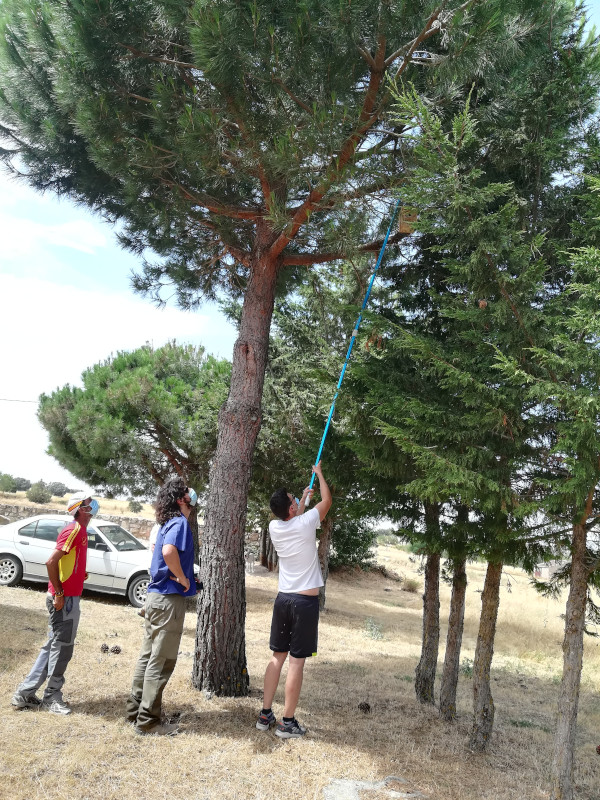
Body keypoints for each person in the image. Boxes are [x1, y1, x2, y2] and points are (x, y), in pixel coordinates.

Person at [256, 461, 332, 738]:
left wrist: (302, 499)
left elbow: (296, 516)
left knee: (278, 657)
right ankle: (287, 723)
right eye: (292, 501)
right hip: (304, 603)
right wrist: (320, 475)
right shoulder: (306, 521)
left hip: (283, 600)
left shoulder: (276, 527)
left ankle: (265, 715)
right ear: (290, 509)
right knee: (296, 662)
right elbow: (328, 501)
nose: (295, 501)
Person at [11, 492, 97, 715]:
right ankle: (52, 697)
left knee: (52, 646)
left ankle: (25, 693)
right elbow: (51, 562)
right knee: (63, 647)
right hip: (65, 600)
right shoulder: (74, 529)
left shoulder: (81, 530)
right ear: (80, 508)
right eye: (89, 504)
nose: (94, 506)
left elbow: (67, 562)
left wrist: (78, 574)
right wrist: (59, 592)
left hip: (68, 596)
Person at [126, 477, 198, 736]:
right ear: (181, 499)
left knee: (147, 657)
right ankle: (148, 721)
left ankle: (134, 711)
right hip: (169, 600)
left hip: (155, 597)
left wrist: (186, 574)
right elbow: (169, 552)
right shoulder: (179, 522)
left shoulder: (167, 522)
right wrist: (181, 577)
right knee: (162, 661)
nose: (193, 495)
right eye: (188, 492)